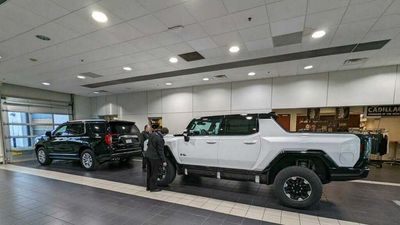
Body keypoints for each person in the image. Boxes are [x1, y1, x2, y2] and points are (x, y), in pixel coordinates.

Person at [146, 127, 169, 192]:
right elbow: (160, 151)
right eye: (165, 135)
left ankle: (148, 187)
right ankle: (153, 188)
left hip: (148, 156)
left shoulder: (153, 134)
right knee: (154, 173)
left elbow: (148, 144)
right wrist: (164, 161)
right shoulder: (160, 139)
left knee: (149, 172)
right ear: (164, 133)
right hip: (155, 158)